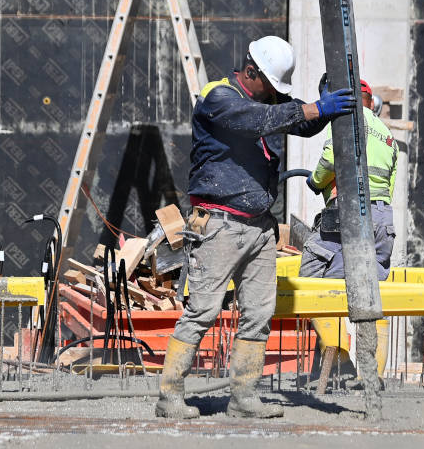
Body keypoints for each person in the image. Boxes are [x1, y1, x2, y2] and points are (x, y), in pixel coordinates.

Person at [155, 36, 357, 419]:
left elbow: (299, 122)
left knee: (259, 314)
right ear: (251, 72)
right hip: (219, 224)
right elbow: (256, 121)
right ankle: (169, 396)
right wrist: (313, 107)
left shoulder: (266, 103)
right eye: (270, 86)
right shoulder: (219, 97)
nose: (273, 96)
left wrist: (324, 110)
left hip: (260, 228)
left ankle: (244, 398)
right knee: (202, 311)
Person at [299, 79, 398, 386]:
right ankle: (371, 374)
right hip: (382, 218)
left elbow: (330, 160)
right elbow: (389, 184)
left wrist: (316, 182)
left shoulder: (345, 119)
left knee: (317, 279)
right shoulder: (386, 133)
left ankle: (340, 363)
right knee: (371, 294)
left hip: (350, 214)